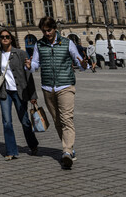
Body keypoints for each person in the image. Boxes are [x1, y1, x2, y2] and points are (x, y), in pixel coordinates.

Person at [27, 16, 87, 169]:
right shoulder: (39, 44)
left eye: (49, 30)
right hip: (48, 87)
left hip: (65, 85)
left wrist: (83, 64)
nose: (47, 33)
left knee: (67, 118)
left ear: (55, 29)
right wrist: (29, 65)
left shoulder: (67, 43)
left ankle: (66, 151)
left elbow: (80, 63)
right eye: (44, 31)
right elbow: (35, 64)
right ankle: (70, 148)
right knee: (57, 120)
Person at [0, 30, 39, 159]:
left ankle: (33, 144)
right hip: (4, 92)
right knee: (7, 122)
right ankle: (11, 151)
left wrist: (33, 96)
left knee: (25, 121)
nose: (5, 39)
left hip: (19, 92)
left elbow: (28, 76)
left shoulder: (21, 54)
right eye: (2, 37)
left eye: (7, 37)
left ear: (11, 39)